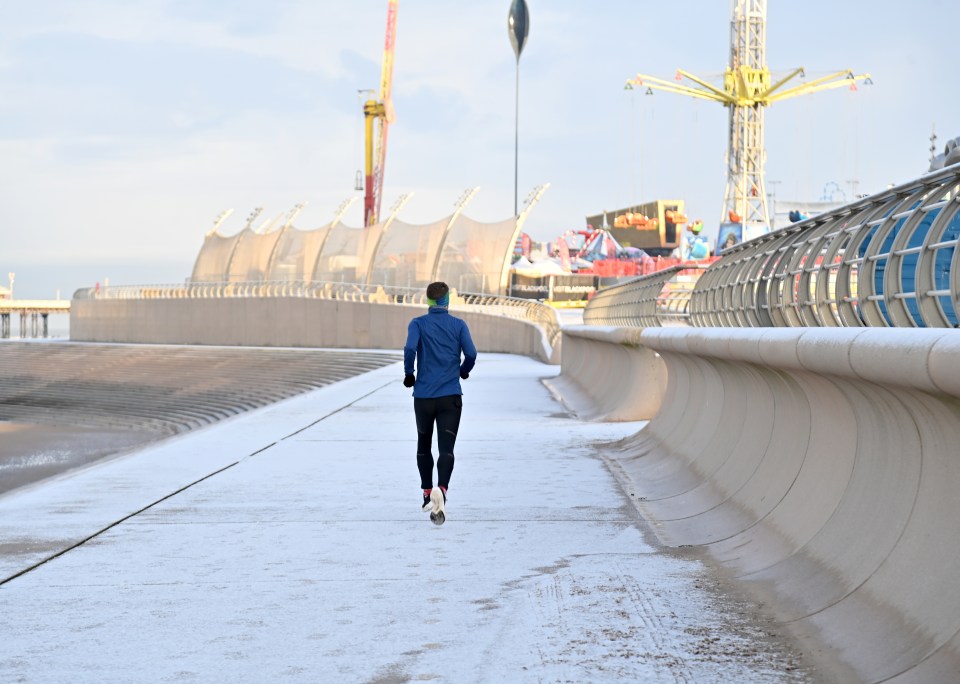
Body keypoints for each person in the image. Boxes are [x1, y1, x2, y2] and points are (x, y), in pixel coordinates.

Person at [403, 281, 477, 525]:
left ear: (428, 301)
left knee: (424, 445)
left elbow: (410, 348)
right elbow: (472, 354)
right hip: (450, 397)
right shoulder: (458, 325)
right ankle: (441, 489)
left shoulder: (417, 324)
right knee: (447, 449)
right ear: (447, 302)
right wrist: (463, 371)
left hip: (423, 397)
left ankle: (426, 493)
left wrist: (409, 373)